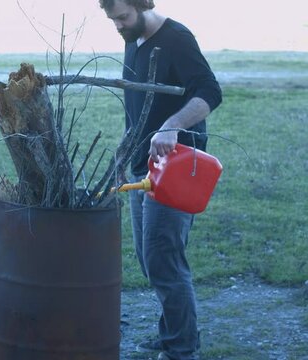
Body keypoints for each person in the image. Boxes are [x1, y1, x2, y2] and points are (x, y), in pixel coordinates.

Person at [97, 0, 223, 359]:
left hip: (178, 168)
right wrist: (124, 152)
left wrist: (172, 126)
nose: (118, 26)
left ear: (142, 5)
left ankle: (181, 349)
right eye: (112, 20)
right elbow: (137, 107)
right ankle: (175, 333)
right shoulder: (132, 39)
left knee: (163, 257)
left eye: (123, 17)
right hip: (143, 166)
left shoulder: (177, 38)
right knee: (148, 258)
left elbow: (210, 92)